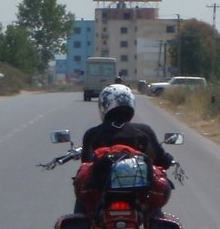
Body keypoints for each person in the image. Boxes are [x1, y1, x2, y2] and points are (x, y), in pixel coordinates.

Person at [74, 84, 174, 213]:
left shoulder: (92, 133)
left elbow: (86, 163)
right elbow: (161, 160)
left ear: (104, 105)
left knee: (83, 198)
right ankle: (156, 219)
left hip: (102, 193)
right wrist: (168, 159)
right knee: (154, 208)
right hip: (139, 193)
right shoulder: (144, 130)